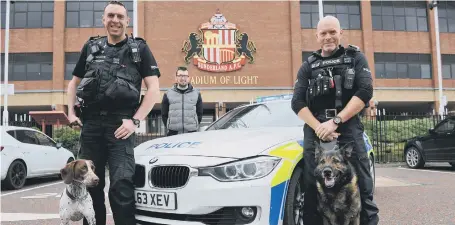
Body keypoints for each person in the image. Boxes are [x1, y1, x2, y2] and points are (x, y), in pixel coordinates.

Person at [66, 1, 161, 224]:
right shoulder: (91, 48)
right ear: (103, 20)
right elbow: (73, 83)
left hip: (121, 127)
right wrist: (71, 112)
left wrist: (135, 121)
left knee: (121, 187)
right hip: (91, 128)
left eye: (120, 16)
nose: (115, 21)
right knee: (90, 187)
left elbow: (154, 88)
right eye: (110, 16)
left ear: (127, 21)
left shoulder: (139, 50)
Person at [291, 15, 379, 225]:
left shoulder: (355, 58)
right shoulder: (308, 66)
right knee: (312, 187)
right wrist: (320, 127)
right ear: (317, 36)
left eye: (332, 32)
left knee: (364, 184)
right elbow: (297, 103)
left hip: (347, 126)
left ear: (341, 33)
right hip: (316, 128)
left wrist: (336, 121)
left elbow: (365, 91)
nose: (328, 37)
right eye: (323, 33)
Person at [161, 66, 203, 136]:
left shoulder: (196, 94)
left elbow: (200, 113)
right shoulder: (168, 94)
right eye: (180, 76)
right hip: (173, 134)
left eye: (185, 76)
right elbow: (164, 114)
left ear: (189, 78)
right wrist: (170, 127)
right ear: (176, 77)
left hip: (191, 133)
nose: (183, 78)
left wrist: (193, 126)